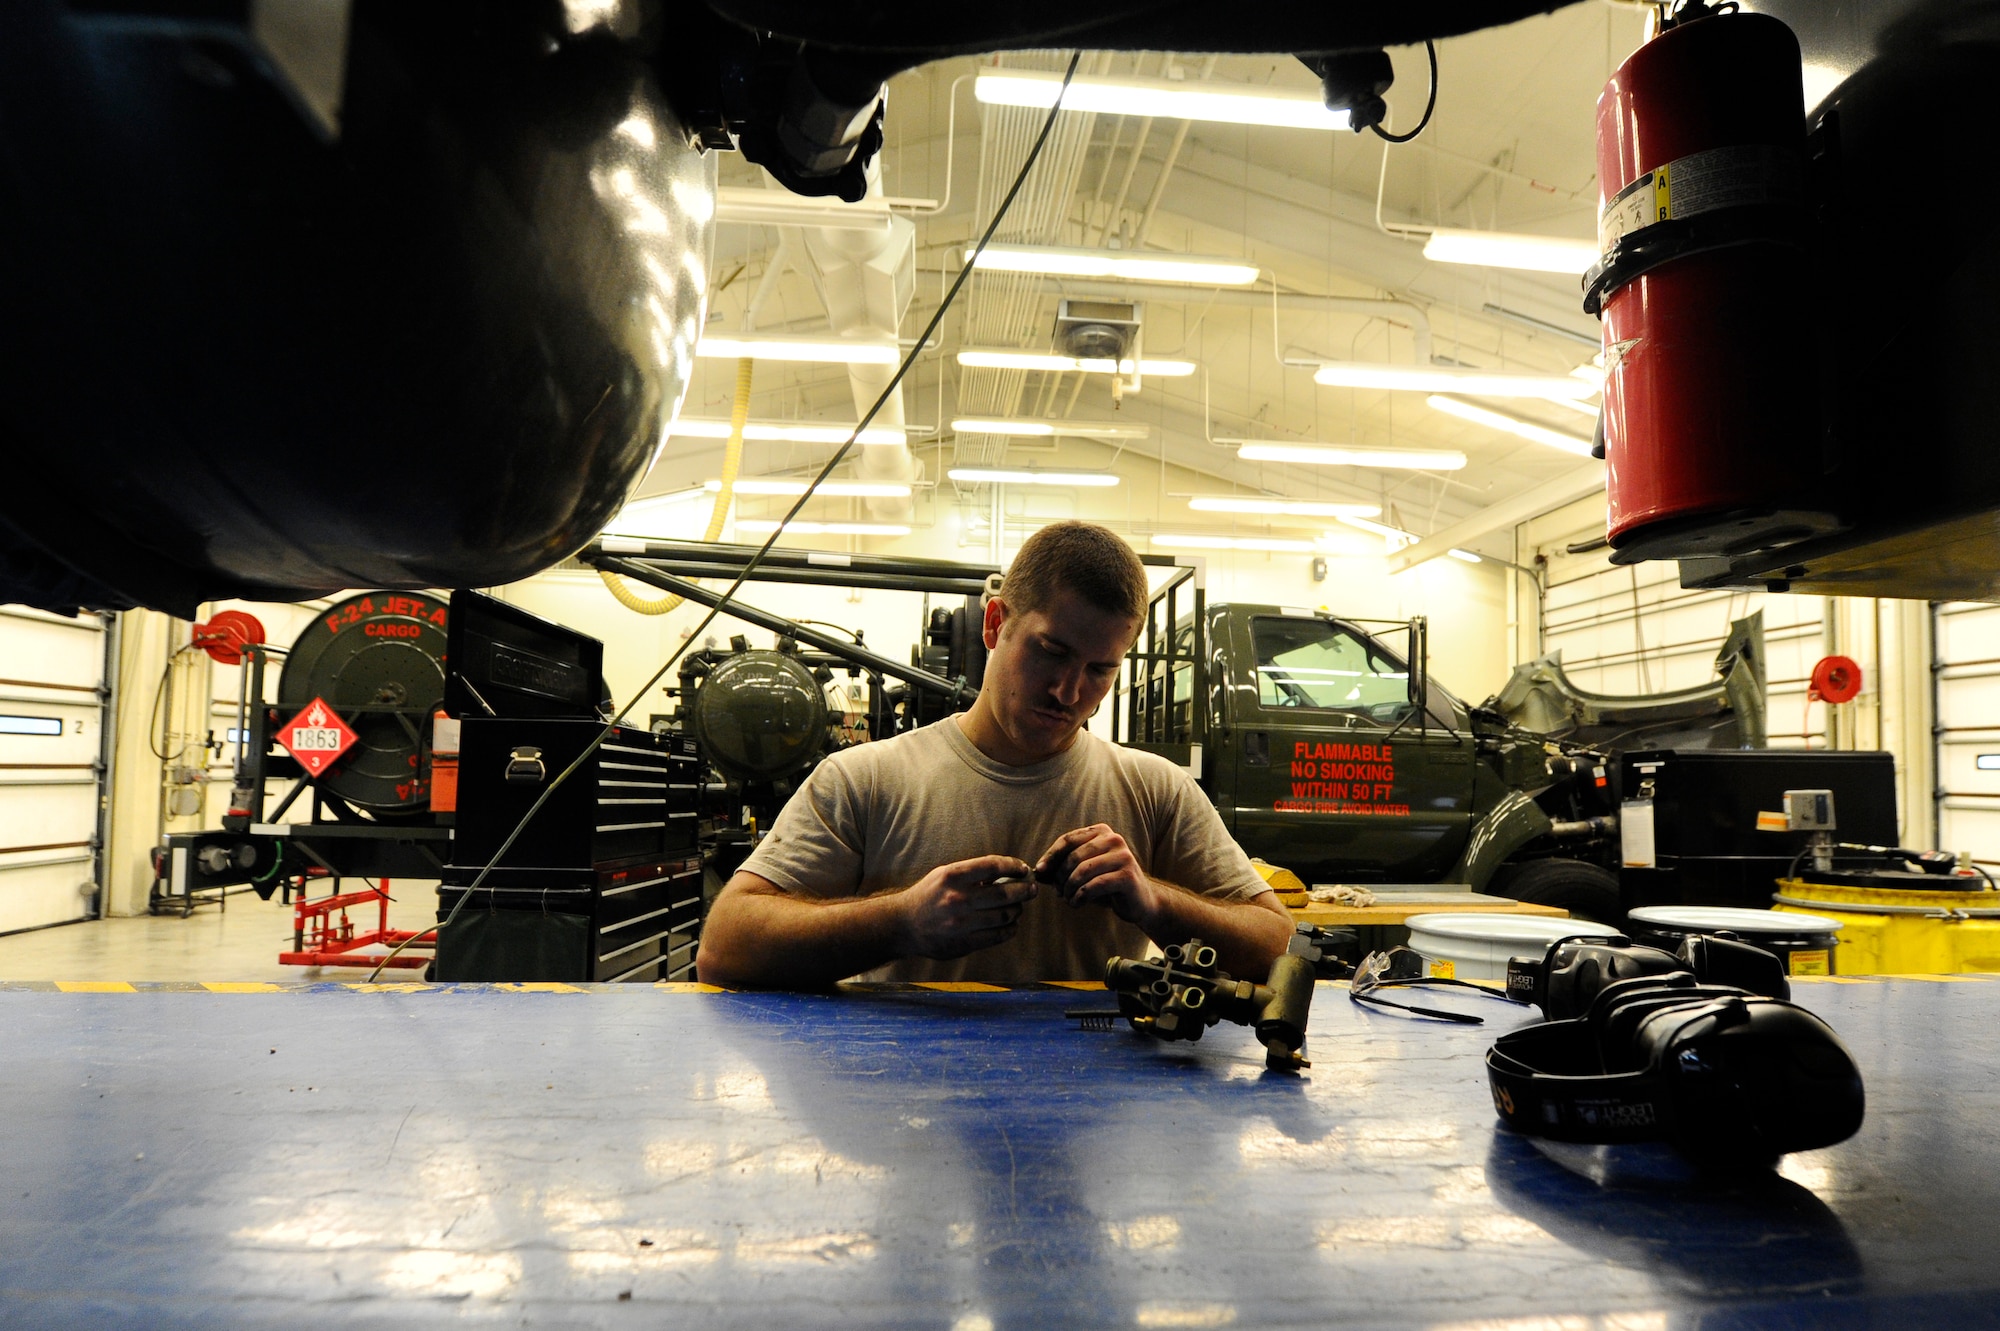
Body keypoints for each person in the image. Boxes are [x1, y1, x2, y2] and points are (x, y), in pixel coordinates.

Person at [696, 520, 1293, 988]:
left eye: (1100, 670)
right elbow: (724, 948)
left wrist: (1156, 902)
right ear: (994, 622)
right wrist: (901, 921)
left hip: (1093, 1120)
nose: (1069, 692)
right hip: (909, 1116)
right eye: (1051, 652)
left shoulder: (1156, 792)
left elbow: (1273, 944)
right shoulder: (866, 781)